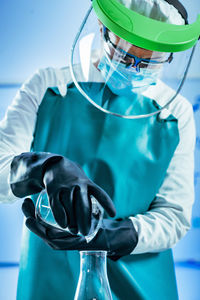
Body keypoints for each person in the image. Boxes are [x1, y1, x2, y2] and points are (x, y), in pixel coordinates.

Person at [0, 0, 199, 299]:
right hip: (50, 276)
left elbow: (174, 215)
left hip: (138, 279)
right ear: (104, 29)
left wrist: (115, 234)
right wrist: (42, 167)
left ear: (168, 58)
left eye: (147, 63)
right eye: (124, 54)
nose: (132, 69)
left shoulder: (174, 115)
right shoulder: (50, 87)